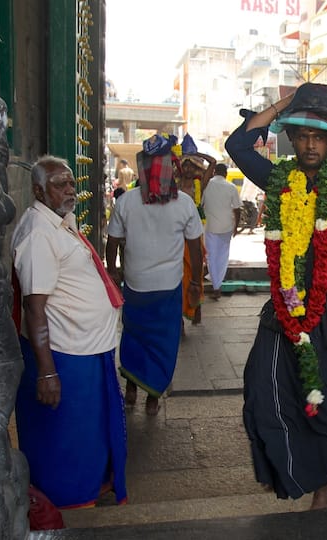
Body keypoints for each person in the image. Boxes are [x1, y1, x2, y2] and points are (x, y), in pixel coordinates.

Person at [225, 84, 327, 510]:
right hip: (284, 307)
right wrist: (285, 105)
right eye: (302, 135)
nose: (310, 144)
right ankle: (282, 467)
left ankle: (324, 487)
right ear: (292, 138)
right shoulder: (279, 178)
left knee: (325, 403)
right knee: (262, 385)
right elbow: (238, 143)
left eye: (319, 136)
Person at [12, 155, 127, 508]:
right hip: (65, 353)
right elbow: (35, 307)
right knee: (67, 431)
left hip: (87, 347)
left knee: (89, 428)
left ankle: (91, 485)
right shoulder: (38, 233)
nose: (69, 190)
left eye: (71, 183)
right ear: (37, 190)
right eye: (59, 184)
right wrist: (47, 371)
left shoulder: (59, 222)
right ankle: (66, 495)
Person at [106, 147, 204, 416]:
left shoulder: (126, 201)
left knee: (134, 335)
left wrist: (113, 271)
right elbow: (195, 248)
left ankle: (131, 390)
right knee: (164, 341)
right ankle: (152, 394)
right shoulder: (184, 203)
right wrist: (196, 280)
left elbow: (112, 241)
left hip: (136, 285)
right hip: (168, 286)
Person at [177, 151, 217, 326]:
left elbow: (213, 161)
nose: (187, 169)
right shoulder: (174, 184)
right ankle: (181, 313)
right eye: (184, 165)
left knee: (196, 269)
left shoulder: (200, 184)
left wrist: (194, 154)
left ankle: (196, 306)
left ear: (196, 169)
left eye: (191, 166)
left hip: (196, 233)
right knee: (180, 273)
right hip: (177, 233)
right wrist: (179, 156)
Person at [202, 162, 242, 299]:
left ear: (214, 172)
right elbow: (237, 209)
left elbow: (200, 204)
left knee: (211, 257)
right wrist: (236, 227)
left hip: (211, 226)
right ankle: (217, 283)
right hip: (227, 226)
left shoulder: (206, 185)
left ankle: (216, 286)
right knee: (222, 256)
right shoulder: (231, 187)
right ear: (225, 173)